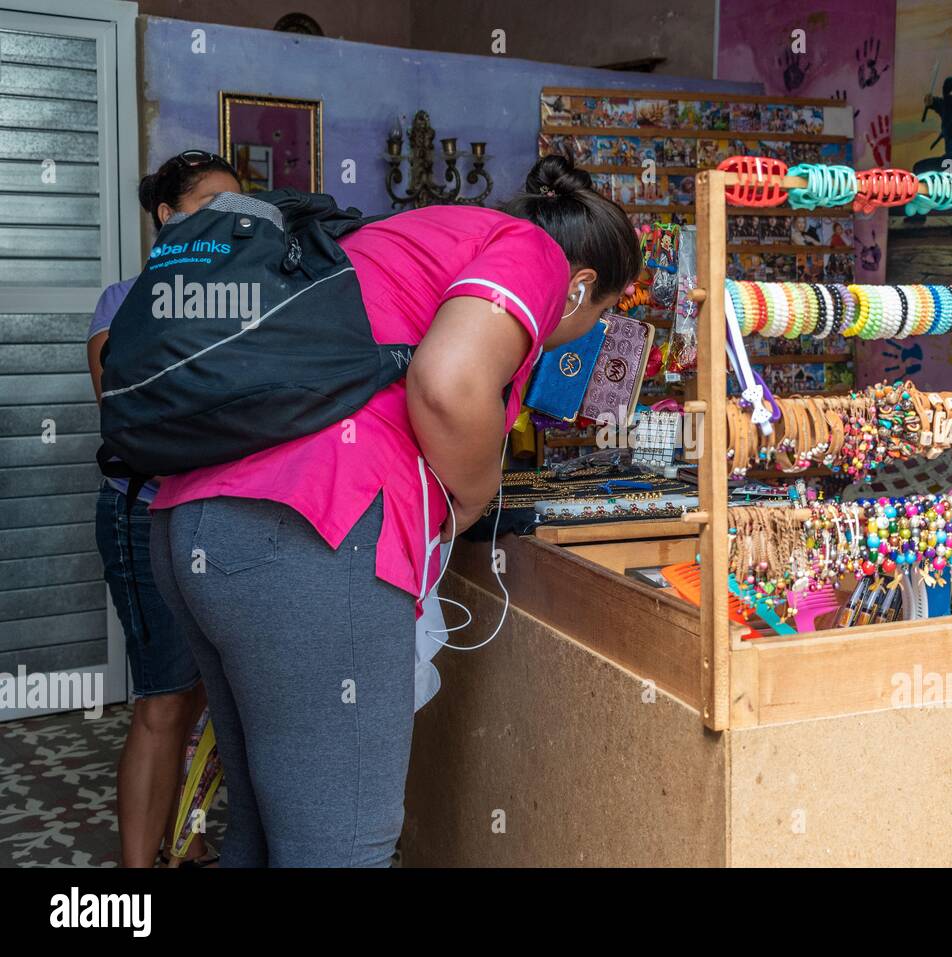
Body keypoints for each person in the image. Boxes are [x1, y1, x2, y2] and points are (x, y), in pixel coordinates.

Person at [145, 154, 641, 867]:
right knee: (340, 848)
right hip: (307, 531)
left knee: (262, 828)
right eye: (602, 312)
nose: (590, 329)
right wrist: (472, 498)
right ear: (581, 287)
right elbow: (447, 382)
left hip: (194, 520)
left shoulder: (421, 231)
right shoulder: (534, 256)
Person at [87, 148, 242, 868]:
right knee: (163, 698)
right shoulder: (124, 301)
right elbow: (127, 412)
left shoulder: (245, 300)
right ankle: (135, 874)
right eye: (210, 206)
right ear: (167, 216)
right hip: (144, 514)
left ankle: (185, 832)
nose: (228, 224)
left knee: (213, 698)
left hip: (217, 519)